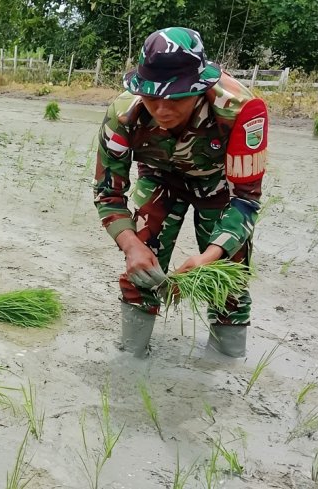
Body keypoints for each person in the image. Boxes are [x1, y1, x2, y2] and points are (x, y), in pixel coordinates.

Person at [93, 27, 268, 358]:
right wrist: (131, 246)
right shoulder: (123, 113)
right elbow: (107, 194)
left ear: (201, 88)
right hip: (159, 180)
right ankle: (132, 357)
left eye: (175, 98)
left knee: (227, 278)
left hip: (220, 188)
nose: (161, 110)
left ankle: (227, 360)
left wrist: (209, 256)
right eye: (151, 97)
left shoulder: (241, 110)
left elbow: (246, 199)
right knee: (142, 266)